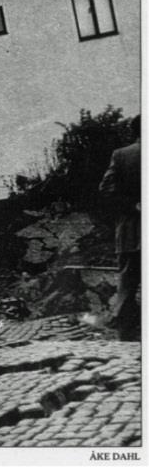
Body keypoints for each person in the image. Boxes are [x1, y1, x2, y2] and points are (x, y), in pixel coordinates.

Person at [99, 114, 141, 341]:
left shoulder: (121, 155)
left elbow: (106, 190)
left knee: (126, 288)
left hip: (130, 233)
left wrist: (133, 205)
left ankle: (124, 340)